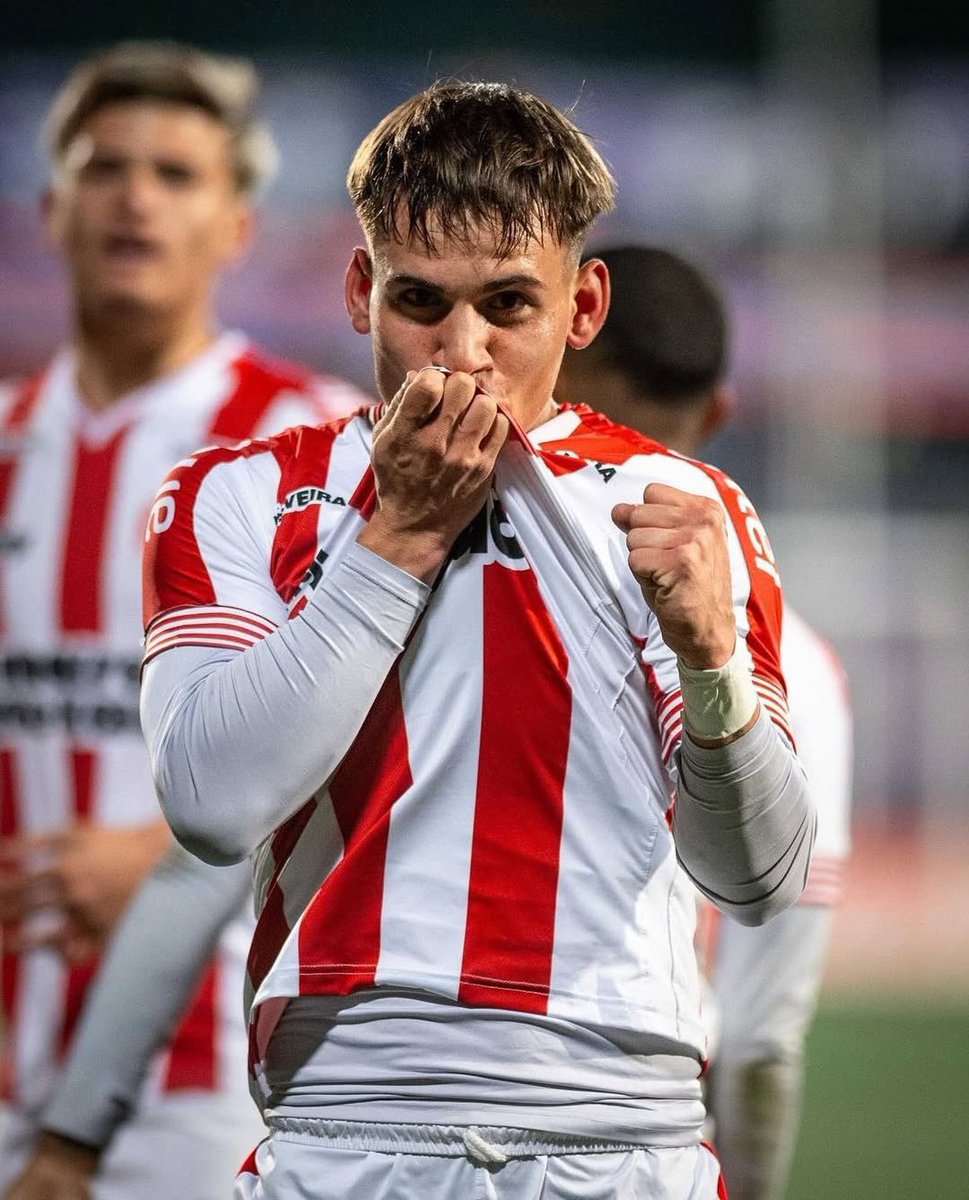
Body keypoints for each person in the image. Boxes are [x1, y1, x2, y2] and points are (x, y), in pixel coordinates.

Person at [141, 80, 815, 1200]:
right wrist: (400, 535)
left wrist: (712, 665)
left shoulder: (683, 507)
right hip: (349, 1122)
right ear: (359, 290)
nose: (462, 352)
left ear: (583, 307)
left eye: (508, 305)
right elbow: (211, 803)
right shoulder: (241, 494)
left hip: (622, 1138)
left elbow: (759, 880)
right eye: (420, 300)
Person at [0, 42, 368, 1199]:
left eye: (175, 173)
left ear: (236, 226)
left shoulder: (316, 448)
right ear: (52, 211)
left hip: (219, 1080)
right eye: (104, 168)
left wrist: (166, 860)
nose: (136, 198)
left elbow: (370, 740)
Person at [557, 244, 853, 1200]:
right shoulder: (796, 665)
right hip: (644, 1142)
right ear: (717, 412)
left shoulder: (416, 572)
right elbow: (762, 1037)